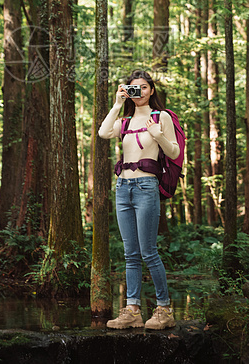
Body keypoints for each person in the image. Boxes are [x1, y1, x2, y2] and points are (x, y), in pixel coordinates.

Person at [98, 69, 180, 330]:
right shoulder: (125, 120)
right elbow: (102, 132)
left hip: (146, 186)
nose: (139, 92)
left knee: (149, 252)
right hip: (123, 187)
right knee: (130, 254)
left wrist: (158, 135)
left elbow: (175, 151)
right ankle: (132, 310)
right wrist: (117, 103)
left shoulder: (161, 116)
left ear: (151, 90)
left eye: (144, 87)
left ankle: (163, 309)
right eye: (134, 88)